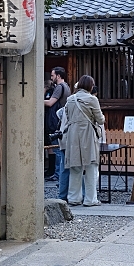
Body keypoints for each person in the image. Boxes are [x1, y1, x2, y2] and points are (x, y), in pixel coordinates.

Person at [60, 75, 105, 207]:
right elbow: (100, 119)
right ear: (90, 86)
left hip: (73, 135)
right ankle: (90, 199)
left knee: (75, 167)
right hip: (88, 134)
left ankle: (74, 198)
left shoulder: (70, 99)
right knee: (91, 167)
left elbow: (67, 116)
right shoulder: (92, 99)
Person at [45, 68, 70, 188]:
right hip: (62, 120)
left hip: (57, 120)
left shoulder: (60, 87)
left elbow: (50, 103)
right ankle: (58, 173)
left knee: (57, 148)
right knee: (59, 148)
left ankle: (57, 174)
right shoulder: (67, 86)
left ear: (58, 76)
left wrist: (35, 99)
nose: (51, 77)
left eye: (53, 75)